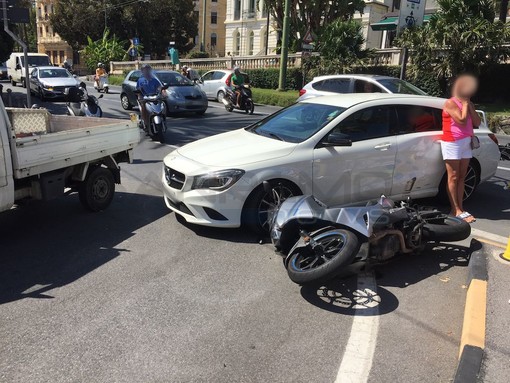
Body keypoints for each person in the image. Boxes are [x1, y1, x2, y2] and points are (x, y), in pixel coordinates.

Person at [441, 74, 481, 223]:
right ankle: (455, 209)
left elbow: (476, 122)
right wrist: (465, 105)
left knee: (462, 176)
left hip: (466, 141)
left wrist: (470, 107)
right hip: (452, 142)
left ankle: (460, 208)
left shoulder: (468, 104)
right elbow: (462, 121)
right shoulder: (450, 103)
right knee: (453, 176)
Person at [136, 64, 164, 130]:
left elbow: (160, 88)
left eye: (148, 69)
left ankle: (162, 119)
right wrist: (140, 97)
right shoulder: (140, 80)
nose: (147, 71)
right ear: (142, 71)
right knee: (143, 108)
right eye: (145, 69)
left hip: (154, 97)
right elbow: (138, 90)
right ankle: (145, 122)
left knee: (162, 106)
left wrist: (163, 93)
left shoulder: (154, 80)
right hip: (145, 98)